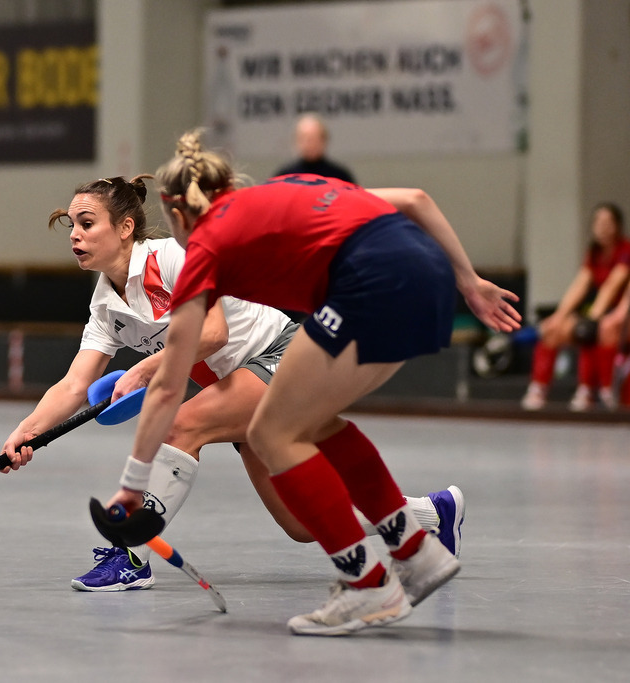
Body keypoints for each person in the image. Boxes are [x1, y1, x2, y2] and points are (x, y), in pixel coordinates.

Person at [104, 130, 520, 636]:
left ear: (176, 210)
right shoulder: (289, 186)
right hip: (430, 279)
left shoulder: (205, 248)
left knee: (270, 433)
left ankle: (368, 584)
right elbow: (417, 200)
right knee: (313, 423)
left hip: (371, 285)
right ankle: (416, 553)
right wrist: (469, 282)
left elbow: (168, 388)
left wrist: (131, 486)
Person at [1, 175, 465, 593]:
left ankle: (131, 555)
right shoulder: (105, 307)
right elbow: (74, 385)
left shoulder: (171, 256)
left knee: (181, 426)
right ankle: (432, 513)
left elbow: (213, 333)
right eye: (72, 227)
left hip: (278, 355)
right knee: (302, 525)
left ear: (125, 228)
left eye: (87, 222)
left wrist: (146, 368)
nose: (76, 235)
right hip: (234, 383)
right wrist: (28, 431)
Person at [521, 203, 630, 411]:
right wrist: (560, 315)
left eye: (608, 223)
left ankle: (607, 392)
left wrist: (595, 317)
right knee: (552, 329)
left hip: (621, 316)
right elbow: (580, 285)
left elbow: (612, 286)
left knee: (604, 329)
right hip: (601, 313)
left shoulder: (625, 250)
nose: (602, 227)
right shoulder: (593, 254)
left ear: (617, 226)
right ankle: (540, 390)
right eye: (598, 222)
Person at [271, 113, 356, 183]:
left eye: (313, 139)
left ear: (324, 140)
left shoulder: (339, 176)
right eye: (303, 138)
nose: (308, 143)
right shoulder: (284, 176)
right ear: (296, 140)